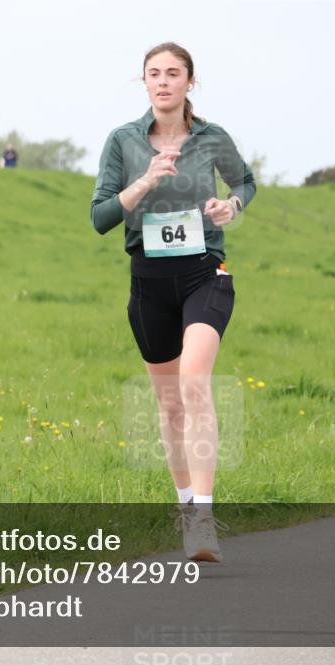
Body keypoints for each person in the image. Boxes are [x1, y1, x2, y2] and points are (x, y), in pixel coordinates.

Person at [91, 42, 255, 561]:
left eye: (173, 73)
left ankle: (205, 517)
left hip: (205, 271)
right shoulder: (122, 141)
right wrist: (143, 182)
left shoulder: (211, 138)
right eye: (154, 74)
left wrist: (231, 205)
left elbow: (246, 183)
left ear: (190, 82)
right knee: (168, 403)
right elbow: (99, 217)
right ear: (144, 83)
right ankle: (185, 508)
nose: (163, 82)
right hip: (148, 281)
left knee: (194, 382)